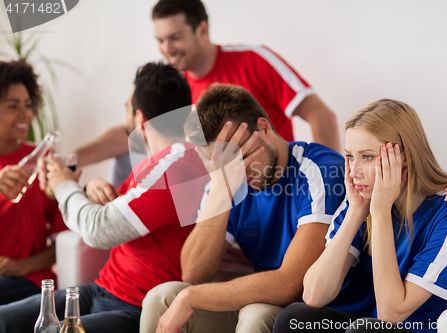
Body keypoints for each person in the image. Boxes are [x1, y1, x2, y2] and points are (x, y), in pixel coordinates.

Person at [0, 63, 206, 333]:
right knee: (4, 320)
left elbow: (99, 230)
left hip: (134, 306)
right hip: (101, 289)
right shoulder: (157, 163)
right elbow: (117, 211)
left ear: (140, 118)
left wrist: (65, 187)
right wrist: (91, 187)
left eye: (126, 109)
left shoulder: (177, 168)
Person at [56, 0, 340, 192]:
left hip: (270, 184)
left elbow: (321, 115)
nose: (166, 48)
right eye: (160, 40)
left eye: (175, 37)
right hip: (222, 192)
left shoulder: (253, 59)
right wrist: (68, 159)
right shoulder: (174, 85)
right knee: (128, 158)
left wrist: (324, 186)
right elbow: (134, 131)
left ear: (202, 30)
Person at [273, 99, 447, 333]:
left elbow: (391, 313)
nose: (354, 171)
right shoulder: (361, 198)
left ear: (404, 157)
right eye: (349, 156)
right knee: (295, 318)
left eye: (367, 157)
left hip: (428, 330)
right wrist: (356, 211)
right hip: (377, 327)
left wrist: (379, 213)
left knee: (365, 330)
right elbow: (314, 295)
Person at [139, 83, 345, 333]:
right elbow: (193, 274)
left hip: (320, 311)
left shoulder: (319, 170)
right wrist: (220, 192)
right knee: (162, 298)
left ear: (264, 128)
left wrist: (191, 297)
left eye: (241, 157)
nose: (236, 170)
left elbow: (290, 284)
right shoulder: (227, 179)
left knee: (255, 313)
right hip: (265, 301)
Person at [0, 59, 67, 305]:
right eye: (13, 106)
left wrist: (21, 266)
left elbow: (66, 238)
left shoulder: (44, 161)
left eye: (28, 105)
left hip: (30, 278)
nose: (26, 114)